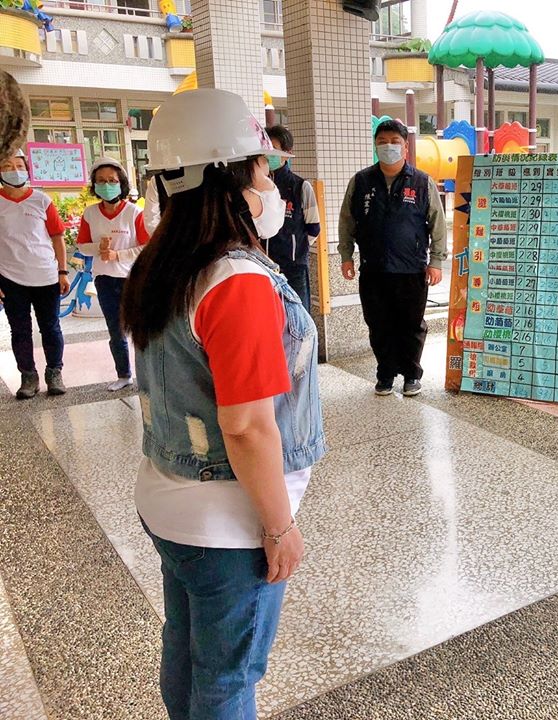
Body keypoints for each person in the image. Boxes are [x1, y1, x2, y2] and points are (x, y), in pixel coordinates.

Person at [121, 88, 325, 719]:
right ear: (224, 176)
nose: (272, 182)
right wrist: (279, 527)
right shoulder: (235, 280)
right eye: (261, 167)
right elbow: (246, 428)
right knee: (230, 676)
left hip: (169, 498)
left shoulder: (165, 262)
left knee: (187, 652)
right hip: (227, 523)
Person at [338, 119, 447, 397]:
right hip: (373, 269)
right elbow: (347, 221)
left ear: (406, 148)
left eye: (394, 142)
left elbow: (437, 223)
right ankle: (385, 374)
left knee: (411, 325)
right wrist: (346, 256)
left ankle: (412, 374)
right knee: (378, 324)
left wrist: (436, 261)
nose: (388, 147)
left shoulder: (422, 182)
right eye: (382, 142)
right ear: (375, 146)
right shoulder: (361, 181)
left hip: (411, 270)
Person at [76, 156, 150, 391]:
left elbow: (146, 246)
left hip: (132, 277)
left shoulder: (133, 212)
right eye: (101, 181)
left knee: (139, 328)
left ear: (121, 183)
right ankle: (123, 374)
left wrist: (118, 255)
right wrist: (98, 247)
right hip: (105, 279)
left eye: (112, 180)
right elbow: (81, 245)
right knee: (115, 330)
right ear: (94, 185)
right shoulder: (90, 214)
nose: (106, 185)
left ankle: (147, 376)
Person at [0, 148, 68, 399]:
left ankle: (54, 372)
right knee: (19, 330)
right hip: (10, 278)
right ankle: (28, 376)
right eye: (7, 166)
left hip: (46, 276)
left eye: (19, 165)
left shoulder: (42, 200)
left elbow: (58, 237)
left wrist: (62, 271)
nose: (14, 170)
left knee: (51, 327)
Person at [263, 125, 321, 308]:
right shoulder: (256, 187)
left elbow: (314, 227)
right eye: (265, 148)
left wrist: (295, 246)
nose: (268, 154)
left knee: (298, 317)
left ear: (287, 153)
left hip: (294, 268)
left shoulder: (300, 187)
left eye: (273, 149)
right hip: (263, 266)